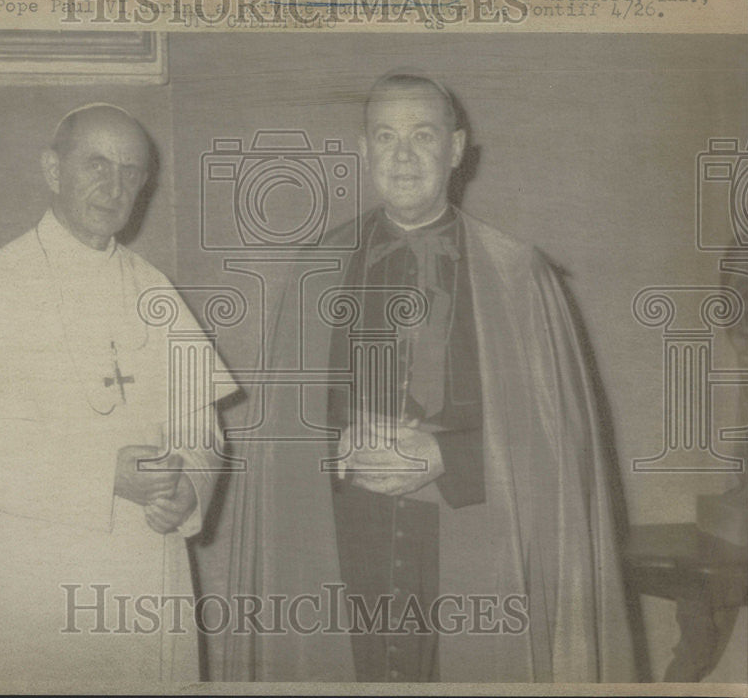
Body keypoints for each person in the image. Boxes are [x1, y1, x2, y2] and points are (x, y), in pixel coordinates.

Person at [202, 72, 635, 682]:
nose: (402, 156)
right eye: (385, 136)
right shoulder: (315, 273)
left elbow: (562, 453)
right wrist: (339, 445)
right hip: (345, 549)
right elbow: (278, 448)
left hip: (477, 550)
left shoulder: (519, 277)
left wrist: (447, 454)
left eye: (422, 136)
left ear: (456, 149)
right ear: (364, 149)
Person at [0, 103, 237, 686]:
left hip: (146, 563)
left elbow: (201, 429)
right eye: (96, 165)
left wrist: (189, 486)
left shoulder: (154, 289)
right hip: (34, 569)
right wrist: (103, 477)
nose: (114, 187)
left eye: (131, 172)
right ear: (53, 170)